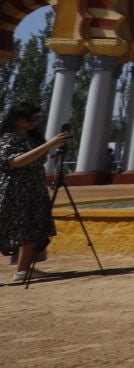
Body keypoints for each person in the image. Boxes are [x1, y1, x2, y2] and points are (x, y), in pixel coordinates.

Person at [2, 103, 70, 284]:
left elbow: (36, 162)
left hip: (34, 188)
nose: (32, 122)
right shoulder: (8, 139)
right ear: (16, 119)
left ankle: (23, 270)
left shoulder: (33, 138)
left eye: (35, 118)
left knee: (31, 228)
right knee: (9, 227)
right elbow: (15, 162)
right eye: (28, 118)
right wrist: (49, 144)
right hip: (14, 190)